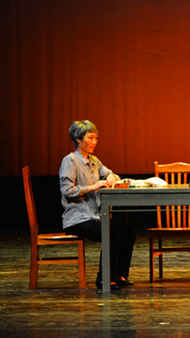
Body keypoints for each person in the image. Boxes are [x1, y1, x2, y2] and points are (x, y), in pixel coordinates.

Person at [60, 120, 135, 290]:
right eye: (90, 138)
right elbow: (67, 190)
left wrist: (111, 177)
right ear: (78, 139)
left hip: (94, 218)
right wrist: (93, 186)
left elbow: (111, 174)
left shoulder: (94, 161)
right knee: (112, 230)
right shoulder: (70, 160)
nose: (94, 142)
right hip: (78, 219)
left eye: (96, 138)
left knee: (128, 233)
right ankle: (104, 279)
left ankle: (119, 275)